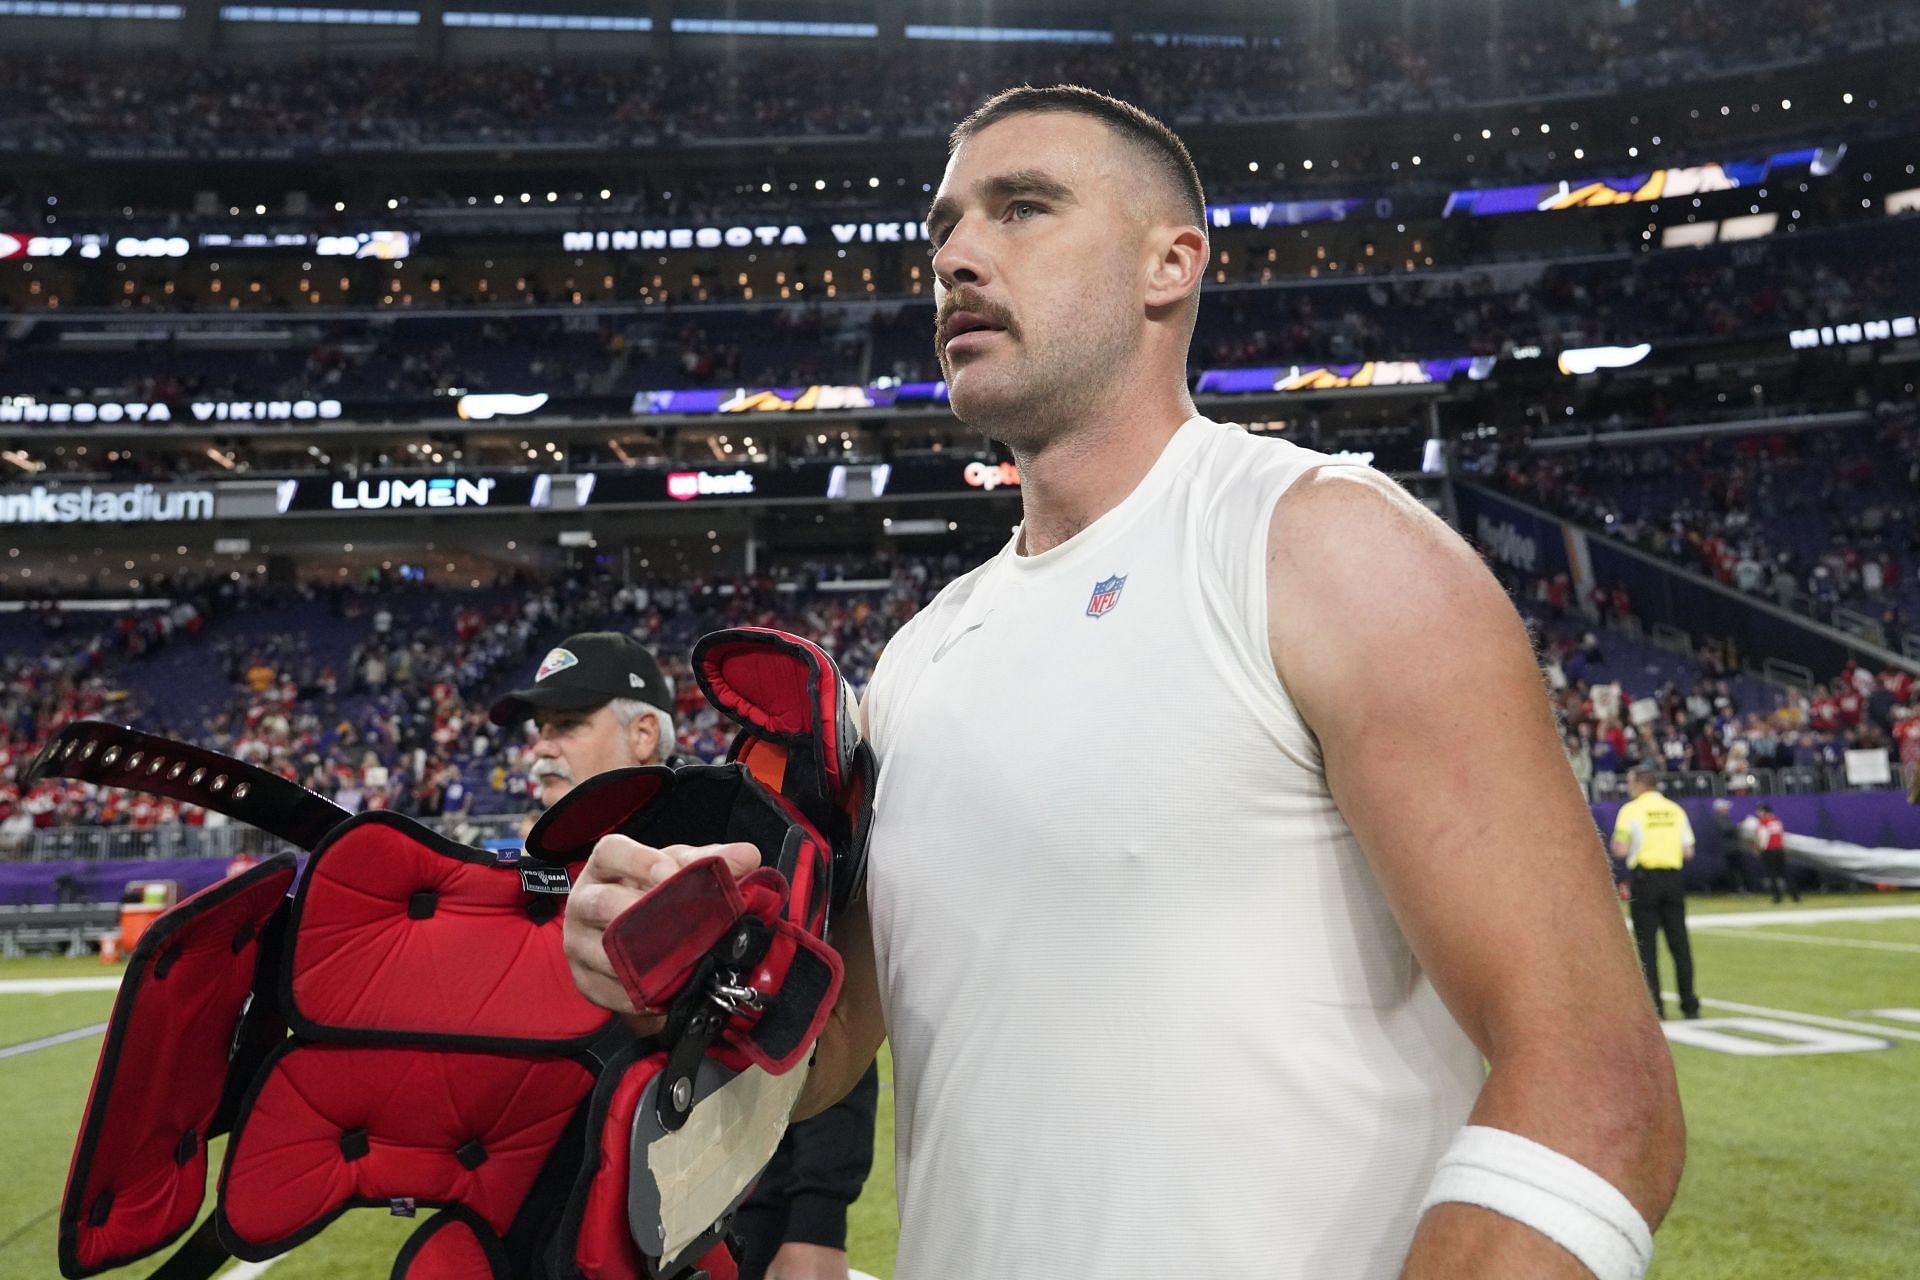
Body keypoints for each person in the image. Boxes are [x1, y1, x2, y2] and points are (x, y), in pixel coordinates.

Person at [564, 87, 1682, 1280]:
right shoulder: (922, 659)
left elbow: (1599, 1085)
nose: (957, 258)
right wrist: (671, 968)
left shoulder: (1321, 550)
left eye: (1023, 208)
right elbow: (824, 1048)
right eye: (941, 230)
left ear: (1171, 262)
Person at [489, 631, 877, 1280]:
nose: (542, 747)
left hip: (718, 1232)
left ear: (644, 734)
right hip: (545, 1229)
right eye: (539, 729)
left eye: (567, 724)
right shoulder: (534, 868)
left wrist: (817, 1223)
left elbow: (821, 1016)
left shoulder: (725, 843)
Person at [1611, 765, 1700, 1020]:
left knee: (1647, 946)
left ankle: (1656, 1007)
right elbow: (1688, 851)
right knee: (1680, 945)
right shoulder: (1675, 810)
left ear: (1640, 784)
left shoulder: (1631, 810)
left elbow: (1620, 847)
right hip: (1673, 879)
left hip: (1645, 879)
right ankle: (1690, 1005)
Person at [1754, 802, 1798, 904]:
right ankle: (1795, 896)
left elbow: (1763, 838)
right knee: (1785, 874)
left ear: (1763, 811)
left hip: (1769, 851)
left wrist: (1759, 849)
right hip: (1779, 850)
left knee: (1772, 875)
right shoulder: (1776, 821)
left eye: (1759, 811)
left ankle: (1777, 897)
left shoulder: (1764, 822)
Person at [1711, 798, 1754, 894]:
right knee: (1735, 870)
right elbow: (1726, 830)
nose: (1727, 809)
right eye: (1725, 807)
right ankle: (1737, 889)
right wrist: (1739, 826)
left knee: (1738, 869)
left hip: (1733, 848)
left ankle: (1742, 888)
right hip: (1730, 849)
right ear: (1720, 809)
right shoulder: (1719, 818)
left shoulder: (1724, 818)